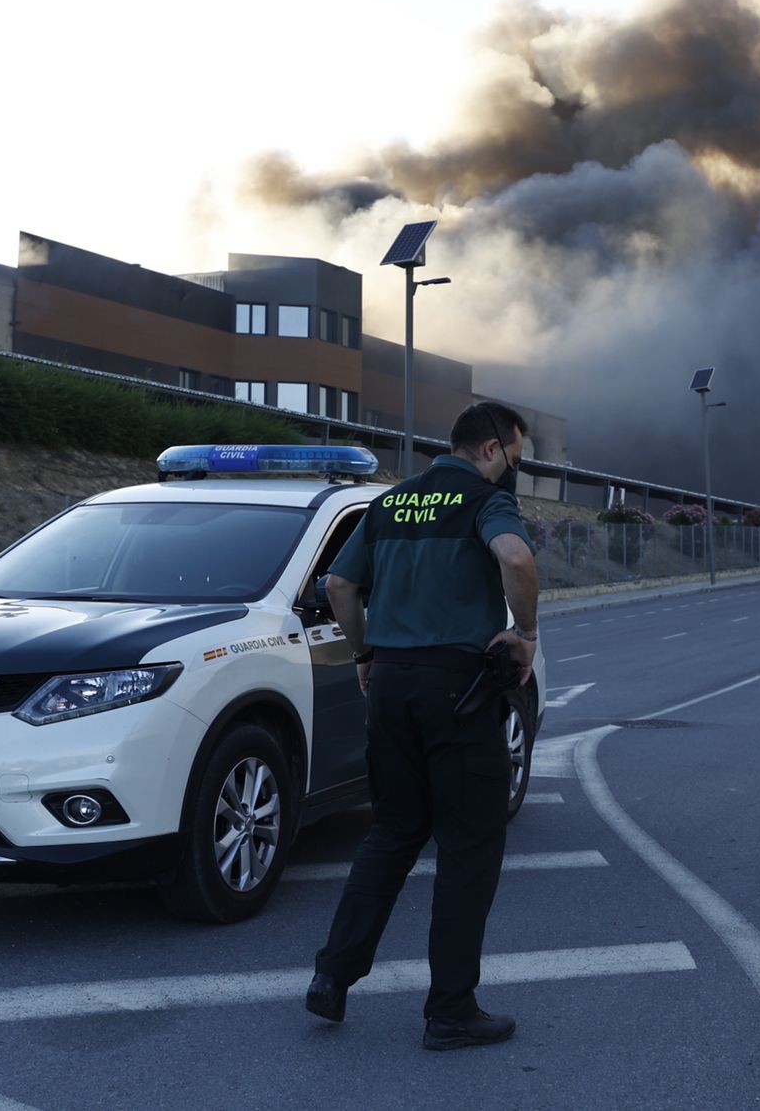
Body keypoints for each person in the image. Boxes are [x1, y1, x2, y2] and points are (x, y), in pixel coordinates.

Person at [308, 401, 540, 1050]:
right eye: (517, 458)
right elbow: (517, 561)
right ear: (493, 449)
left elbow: (339, 586)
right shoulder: (482, 499)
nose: (515, 471)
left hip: (392, 688)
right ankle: (451, 1010)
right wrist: (524, 633)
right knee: (469, 847)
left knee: (392, 831)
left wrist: (366, 653)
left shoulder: (390, 504)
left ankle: (333, 974)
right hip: (457, 693)